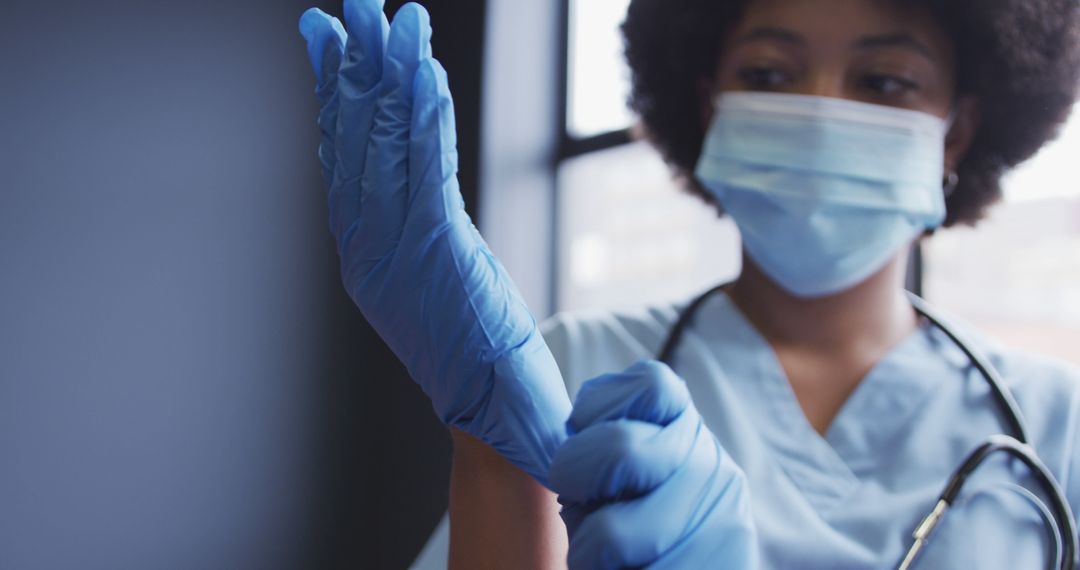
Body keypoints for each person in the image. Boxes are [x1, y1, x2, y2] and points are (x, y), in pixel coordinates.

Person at [298, 0, 1080, 568]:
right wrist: (495, 456)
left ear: (962, 128)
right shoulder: (559, 363)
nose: (816, 110)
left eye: (883, 81)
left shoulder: (1059, 422)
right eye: (769, 72)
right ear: (712, 107)